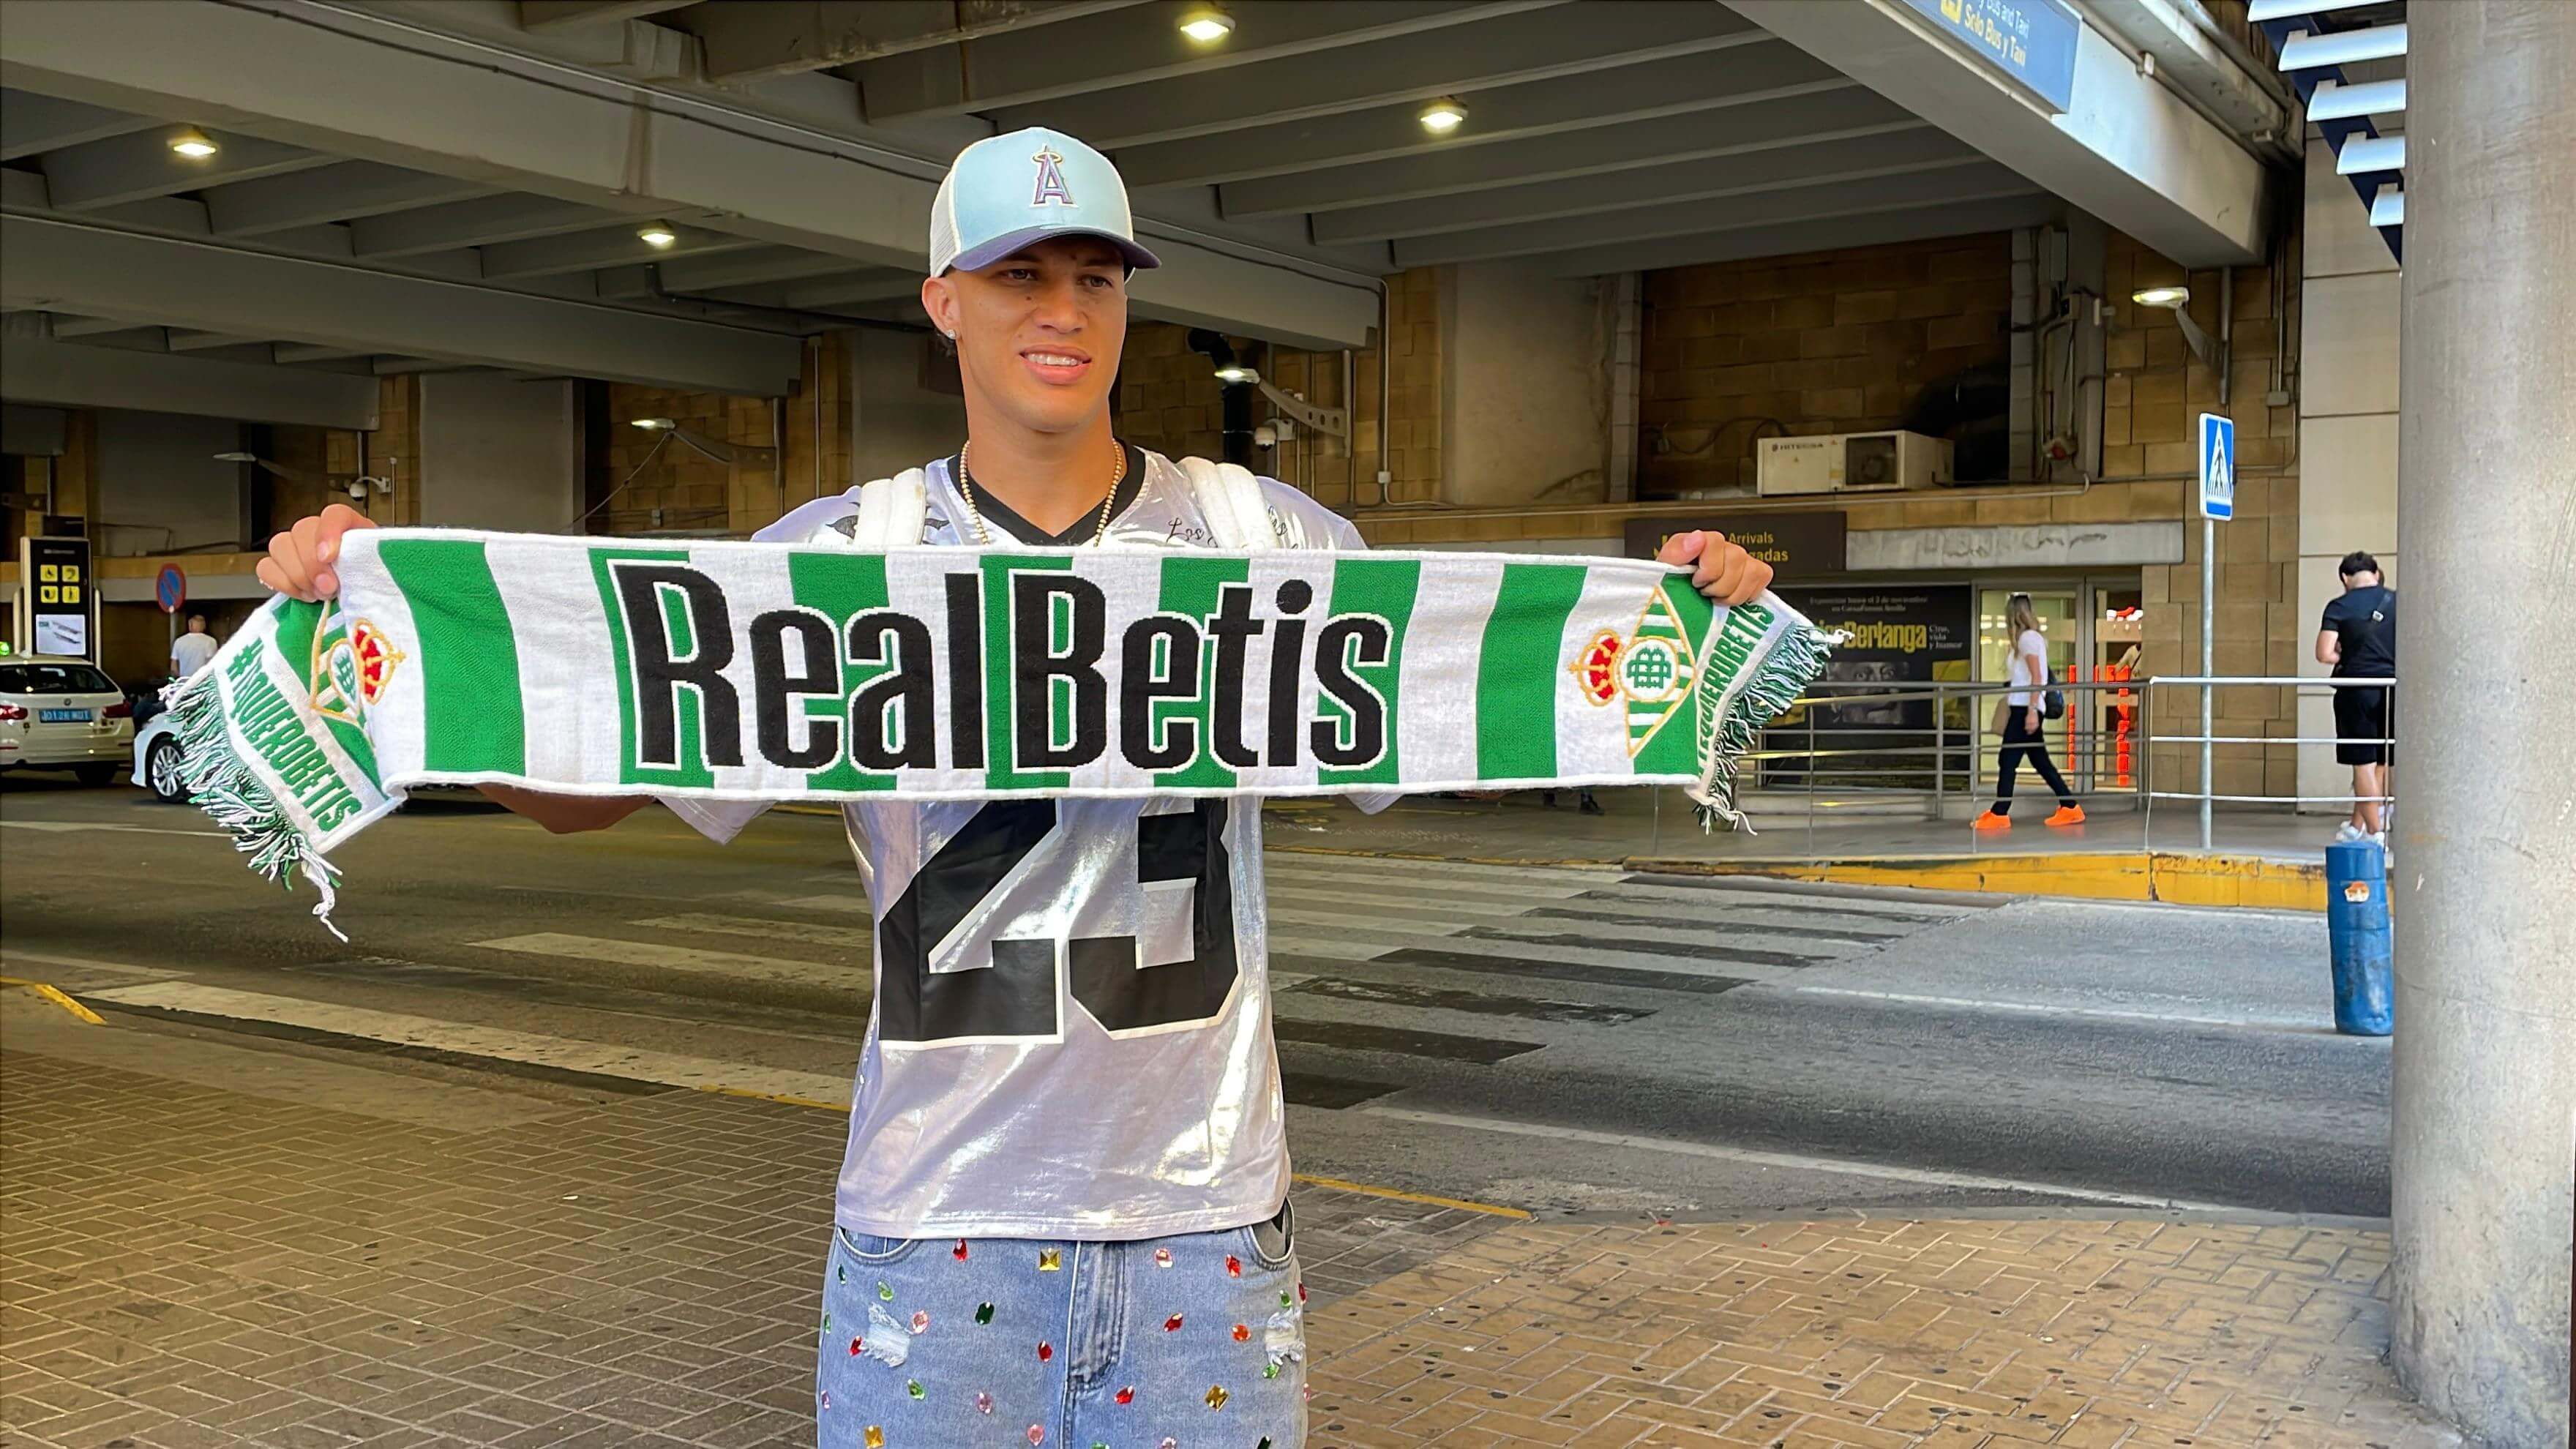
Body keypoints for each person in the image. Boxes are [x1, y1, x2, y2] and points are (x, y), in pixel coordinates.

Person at [255, 127, 1775, 1449]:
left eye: (1095, 277)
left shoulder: (1263, 537)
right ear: (944, 302)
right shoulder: (839, 562)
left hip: (1204, 1224)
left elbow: (1458, 719)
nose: (1062, 311)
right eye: (1017, 276)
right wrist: (385, 643)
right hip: (937, 1219)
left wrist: (1683, 624)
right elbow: (594, 786)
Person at [1974, 592, 2083, 831]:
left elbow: (2037, 677)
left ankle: (2000, 813)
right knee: (2040, 761)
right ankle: (2070, 806)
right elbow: (2029, 676)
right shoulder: (2030, 639)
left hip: (2025, 708)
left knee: (2008, 759)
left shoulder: (2027, 639)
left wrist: (2032, 711)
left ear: (2013, 615)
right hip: (2025, 706)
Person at [2317, 550, 2396, 844]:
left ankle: (2375, 833)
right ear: (2375, 573)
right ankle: (2357, 825)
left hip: (2356, 690)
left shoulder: (2339, 606)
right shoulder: (2398, 601)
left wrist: (2346, 655)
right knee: (2381, 761)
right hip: (2393, 688)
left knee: (2362, 764)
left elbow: (2324, 653)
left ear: (2344, 577)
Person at [169, 613, 217, 679]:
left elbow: (173, 667)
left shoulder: (179, 641)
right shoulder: (211, 641)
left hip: (185, 682)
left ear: (190, 625)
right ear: (204, 626)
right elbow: (212, 665)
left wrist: (182, 678)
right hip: (202, 681)